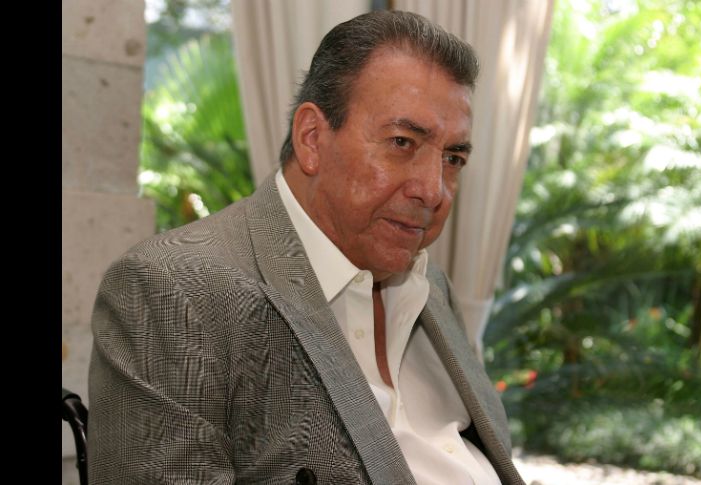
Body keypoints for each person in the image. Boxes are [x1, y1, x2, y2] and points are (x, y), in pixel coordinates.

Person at [88, 9, 526, 485]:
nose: (433, 189)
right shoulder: (175, 291)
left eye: (453, 158)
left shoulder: (430, 286)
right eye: (402, 142)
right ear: (312, 139)